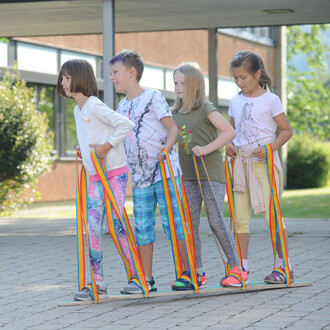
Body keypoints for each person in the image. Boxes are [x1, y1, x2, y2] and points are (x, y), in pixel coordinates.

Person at [109, 49, 196, 293]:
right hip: (139, 178)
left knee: (175, 223)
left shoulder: (153, 98)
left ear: (132, 72)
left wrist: (167, 149)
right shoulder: (122, 105)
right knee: (143, 227)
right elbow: (117, 137)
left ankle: (187, 273)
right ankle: (146, 279)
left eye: (115, 72)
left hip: (164, 172)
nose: (112, 77)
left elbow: (173, 130)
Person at [57, 59, 138, 301]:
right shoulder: (77, 109)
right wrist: (83, 148)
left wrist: (105, 147)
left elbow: (126, 124)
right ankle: (97, 283)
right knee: (92, 228)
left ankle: (136, 277)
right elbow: (91, 135)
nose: (63, 82)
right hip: (95, 175)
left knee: (116, 224)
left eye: (68, 78)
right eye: (62, 78)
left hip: (113, 171)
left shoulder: (94, 105)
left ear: (80, 78)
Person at [172, 62, 248, 288]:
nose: (177, 87)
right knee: (189, 223)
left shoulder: (206, 108)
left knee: (215, 220)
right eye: (175, 83)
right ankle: (196, 272)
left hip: (210, 172)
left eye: (182, 83)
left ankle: (237, 268)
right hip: (187, 176)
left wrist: (205, 149)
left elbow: (229, 132)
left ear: (195, 85)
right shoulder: (174, 113)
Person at [224, 50, 294, 286]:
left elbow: (286, 130)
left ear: (257, 74)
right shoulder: (235, 101)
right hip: (240, 165)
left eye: (243, 77)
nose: (239, 82)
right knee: (240, 218)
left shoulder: (271, 100)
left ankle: (284, 267)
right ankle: (241, 267)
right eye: (236, 78)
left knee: (271, 217)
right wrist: (230, 147)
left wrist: (269, 148)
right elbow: (231, 133)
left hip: (263, 164)